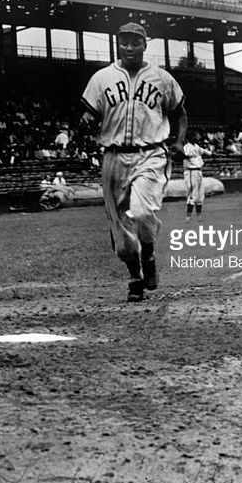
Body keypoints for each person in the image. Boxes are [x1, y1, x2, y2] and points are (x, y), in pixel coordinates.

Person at [81, 22, 187, 302]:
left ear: (145, 45)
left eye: (135, 42)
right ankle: (135, 277)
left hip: (150, 153)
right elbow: (91, 112)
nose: (129, 47)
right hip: (113, 156)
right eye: (124, 42)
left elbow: (180, 113)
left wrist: (179, 141)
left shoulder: (161, 78)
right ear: (118, 44)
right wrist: (87, 120)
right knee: (120, 227)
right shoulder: (102, 78)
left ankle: (149, 255)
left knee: (141, 212)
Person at [182, 129, 212, 221]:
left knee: (200, 195)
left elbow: (205, 152)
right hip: (191, 171)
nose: (197, 137)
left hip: (198, 171)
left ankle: (199, 217)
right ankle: (188, 217)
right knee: (192, 194)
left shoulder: (196, 146)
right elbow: (184, 154)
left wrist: (214, 154)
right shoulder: (187, 147)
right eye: (195, 136)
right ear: (189, 138)